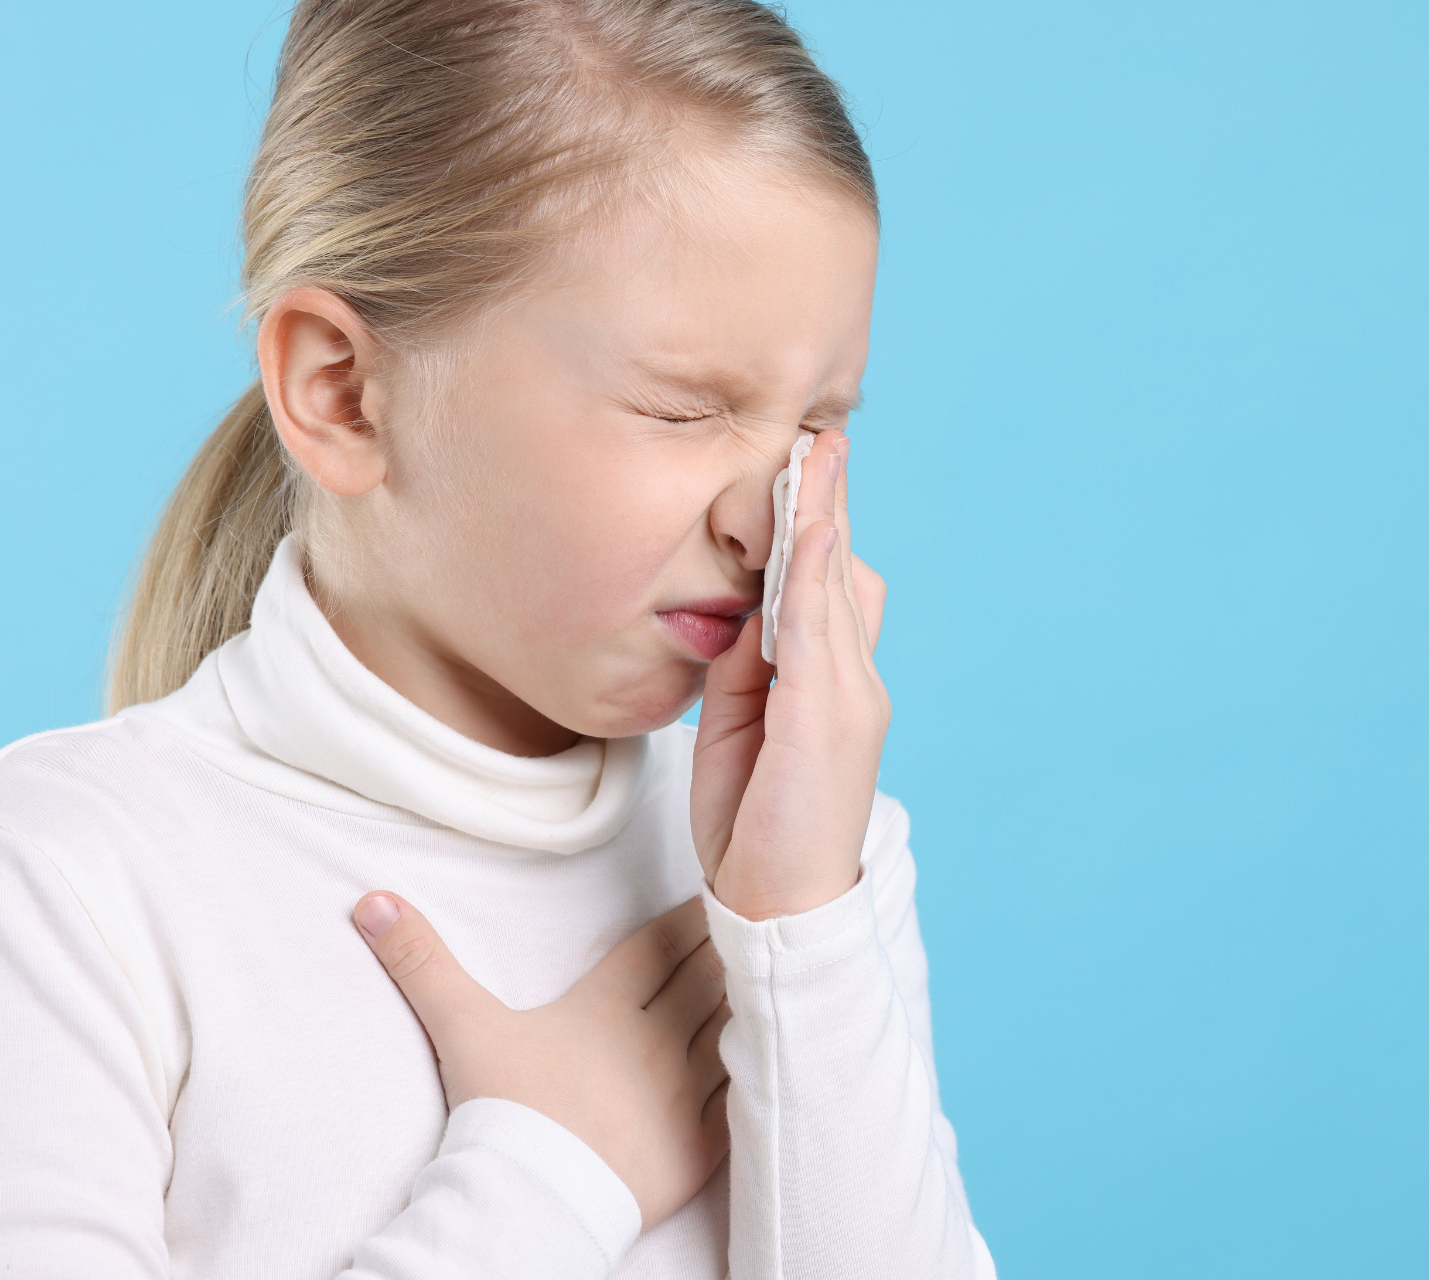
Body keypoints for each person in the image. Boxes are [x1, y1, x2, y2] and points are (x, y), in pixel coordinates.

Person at [0, 2, 993, 1277]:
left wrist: (800, 927)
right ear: (344, 393)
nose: (770, 512)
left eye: (816, 422)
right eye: (683, 406)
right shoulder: (66, 880)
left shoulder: (811, 867)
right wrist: (550, 1171)